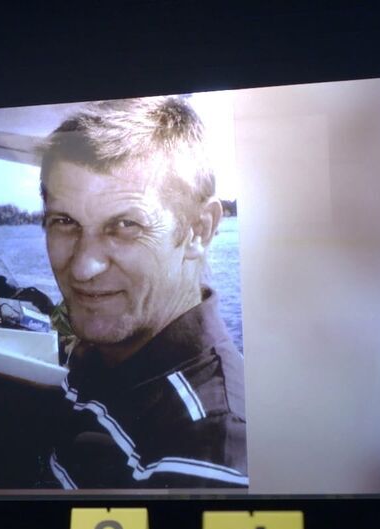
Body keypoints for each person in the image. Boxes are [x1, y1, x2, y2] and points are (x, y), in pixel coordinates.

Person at [40, 96, 247, 489]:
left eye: (125, 225)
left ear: (198, 231)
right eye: (65, 221)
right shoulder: (105, 350)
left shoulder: (212, 451)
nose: (83, 268)